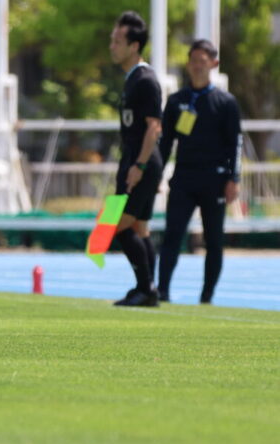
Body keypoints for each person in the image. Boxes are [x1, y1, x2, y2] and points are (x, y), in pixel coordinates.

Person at [157, 39, 242, 305]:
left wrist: (233, 179)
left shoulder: (226, 103)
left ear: (214, 64)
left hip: (214, 180)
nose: (197, 66)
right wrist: (156, 173)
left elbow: (235, 143)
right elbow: (165, 141)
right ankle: (162, 292)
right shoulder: (176, 101)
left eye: (202, 62)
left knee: (213, 240)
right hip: (183, 178)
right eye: (193, 60)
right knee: (172, 235)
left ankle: (207, 296)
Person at [109, 11, 163, 307]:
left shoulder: (146, 79)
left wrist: (139, 166)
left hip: (140, 162)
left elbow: (154, 127)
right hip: (132, 159)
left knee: (116, 225)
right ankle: (147, 288)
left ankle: (147, 289)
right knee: (140, 228)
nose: (112, 46)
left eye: (117, 41)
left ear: (134, 46)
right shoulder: (131, 79)